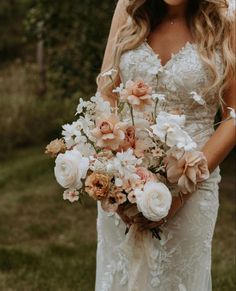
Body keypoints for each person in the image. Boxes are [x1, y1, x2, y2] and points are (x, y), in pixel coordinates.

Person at [95, 0, 235, 290]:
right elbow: (106, 95)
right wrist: (119, 180)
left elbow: (234, 114)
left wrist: (181, 191)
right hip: (124, 184)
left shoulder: (227, 15)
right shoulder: (129, 7)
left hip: (194, 186)